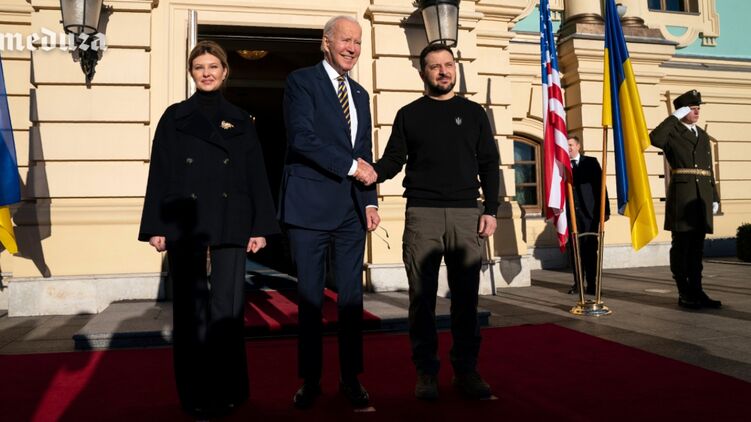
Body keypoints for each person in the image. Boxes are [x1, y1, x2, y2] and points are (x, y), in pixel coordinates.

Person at [138, 41, 280, 419]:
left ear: (224, 71)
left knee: (227, 310)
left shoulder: (241, 119)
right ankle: (195, 395)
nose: (207, 73)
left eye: (213, 66)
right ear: (191, 72)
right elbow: (160, 173)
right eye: (200, 67)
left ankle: (230, 390)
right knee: (190, 311)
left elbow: (255, 174)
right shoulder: (174, 117)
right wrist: (155, 226)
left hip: (232, 217)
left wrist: (260, 227)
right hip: (184, 220)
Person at [370, 43, 499, 401]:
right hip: (422, 214)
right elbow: (392, 160)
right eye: (434, 66)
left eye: (448, 64)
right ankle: (426, 373)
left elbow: (489, 163)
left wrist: (491, 209)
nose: (443, 71)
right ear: (422, 72)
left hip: (466, 215)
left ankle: (466, 371)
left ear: (455, 68)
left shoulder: (474, 113)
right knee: (421, 299)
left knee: (465, 299)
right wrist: (370, 172)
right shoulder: (409, 114)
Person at [279, 15, 380, 409]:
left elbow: (364, 152)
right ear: (326, 42)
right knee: (310, 300)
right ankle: (310, 380)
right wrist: (353, 168)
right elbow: (302, 139)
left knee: (351, 301)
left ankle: (351, 378)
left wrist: (369, 200)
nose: (352, 48)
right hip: (309, 209)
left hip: (351, 213)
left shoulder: (361, 94)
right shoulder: (301, 82)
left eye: (357, 42)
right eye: (345, 40)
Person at [650, 89, 721, 310]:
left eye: (698, 108)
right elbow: (654, 139)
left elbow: (708, 169)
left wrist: (714, 196)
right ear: (681, 111)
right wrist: (673, 117)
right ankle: (684, 291)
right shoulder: (672, 132)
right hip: (682, 196)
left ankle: (698, 290)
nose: (697, 112)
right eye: (692, 109)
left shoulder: (703, 135)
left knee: (697, 248)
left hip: (701, 198)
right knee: (682, 246)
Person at [566, 136, 610, 295]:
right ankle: (578, 284)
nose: (568, 148)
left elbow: (601, 187)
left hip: (589, 215)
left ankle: (592, 284)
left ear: (578, 146)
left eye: (571, 145)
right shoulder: (562, 164)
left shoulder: (591, 162)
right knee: (575, 251)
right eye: (566, 145)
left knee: (590, 250)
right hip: (571, 215)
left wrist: (605, 211)